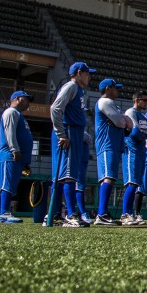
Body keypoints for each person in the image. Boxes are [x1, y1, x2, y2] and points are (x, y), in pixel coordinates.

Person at [50, 62, 95, 227]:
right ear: (79, 73)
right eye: (87, 73)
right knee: (67, 174)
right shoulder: (71, 87)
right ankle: (70, 214)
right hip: (68, 132)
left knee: (66, 175)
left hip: (74, 132)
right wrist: (61, 134)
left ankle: (57, 214)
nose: (89, 77)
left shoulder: (78, 90)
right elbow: (55, 109)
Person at [93, 78, 132, 226]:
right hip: (107, 144)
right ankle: (101, 214)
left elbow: (129, 124)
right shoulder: (105, 102)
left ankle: (103, 213)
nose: (118, 91)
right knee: (108, 177)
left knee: (110, 178)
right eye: (116, 88)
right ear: (108, 88)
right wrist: (121, 120)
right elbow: (122, 123)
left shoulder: (111, 104)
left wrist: (121, 120)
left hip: (113, 144)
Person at [0, 90, 33, 224]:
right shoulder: (11, 112)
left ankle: (6, 212)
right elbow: (9, 132)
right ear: (17, 99)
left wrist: (25, 161)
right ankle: (3, 213)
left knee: (12, 185)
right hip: (10, 155)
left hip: (17, 157)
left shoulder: (18, 114)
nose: (28, 102)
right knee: (7, 184)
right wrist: (14, 149)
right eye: (26, 99)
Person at [122, 90, 147, 225]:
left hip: (140, 151)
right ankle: (125, 213)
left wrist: (143, 134)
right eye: (144, 100)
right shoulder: (131, 112)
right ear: (137, 100)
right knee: (131, 182)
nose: (146, 103)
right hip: (132, 150)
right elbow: (134, 132)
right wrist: (143, 134)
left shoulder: (143, 117)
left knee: (136, 183)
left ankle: (130, 213)